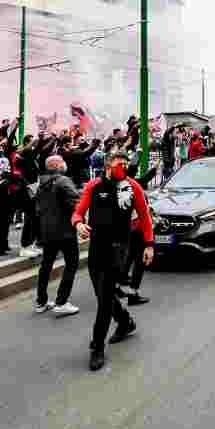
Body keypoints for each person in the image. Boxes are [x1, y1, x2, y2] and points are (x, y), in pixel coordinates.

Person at [72, 150, 154, 371]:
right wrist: (79, 224)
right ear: (108, 165)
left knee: (104, 301)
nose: (124, 167)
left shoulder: (133, 186)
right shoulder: (93, 186)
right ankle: (126, 322)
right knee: (103, 296)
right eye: (120, 163)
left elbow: (145, 216)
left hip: (118, 249)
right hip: (96, 248)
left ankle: (97, 347)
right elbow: (78, 213)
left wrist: (149, 245)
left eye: (126, 164)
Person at [34, 155, 82, 316]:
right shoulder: (63, 181)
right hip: (65, 231)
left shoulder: (41, 184)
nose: (64, 164)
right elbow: (76, 203)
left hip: (47, 231)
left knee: (46, 266)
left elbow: (39, 208)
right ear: (56, 165)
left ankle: (41, 301)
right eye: (62, 161)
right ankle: (61, 301)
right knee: (72, 263)